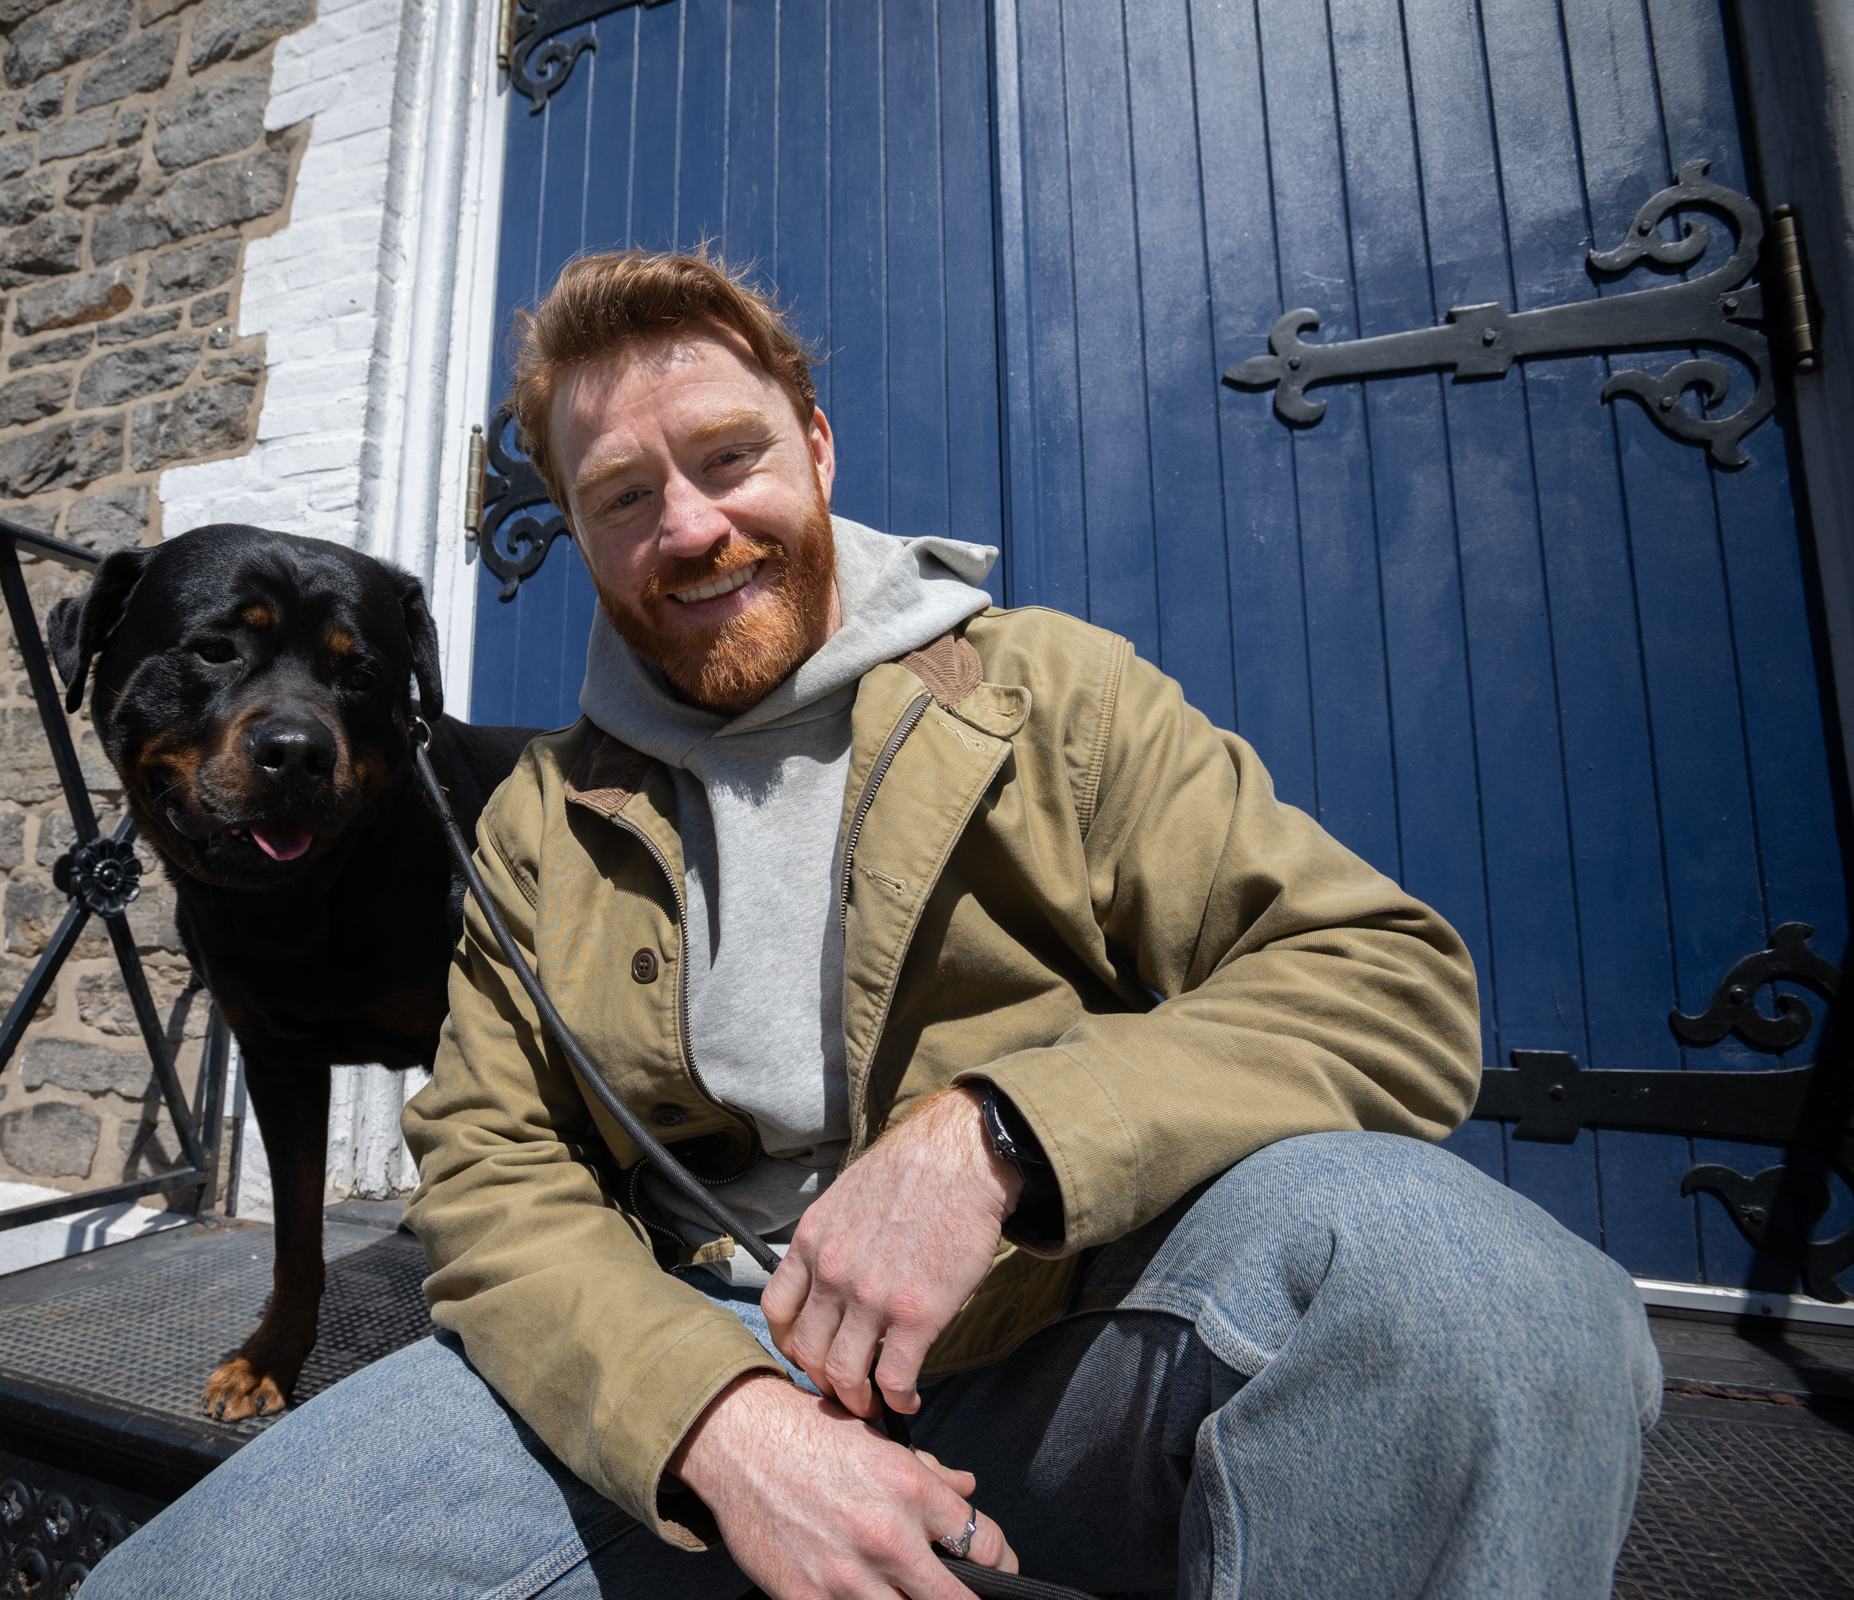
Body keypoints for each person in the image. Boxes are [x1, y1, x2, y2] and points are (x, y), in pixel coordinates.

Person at [82, 250, 1660, 1600]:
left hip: (1076, 1339)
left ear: (819, 449)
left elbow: (1384, 980)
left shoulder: (1061, 698)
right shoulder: (533, 821)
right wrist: (713, 1419)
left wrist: (1001, 1136)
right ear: (574, 533)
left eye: (727, 457)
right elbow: (496, 1182)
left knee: (1475, 1287)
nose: (690, 526)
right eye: (623, 495)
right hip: (683, 1348)